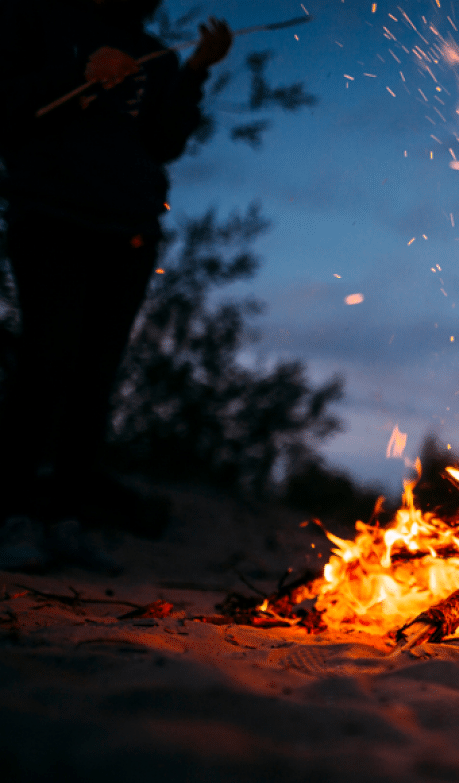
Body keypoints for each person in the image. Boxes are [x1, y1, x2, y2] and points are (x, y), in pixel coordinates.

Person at [0, 0, 231, 568]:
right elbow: (8, 107)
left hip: (127, 235)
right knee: (46, 363)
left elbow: (164, 141)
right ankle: (16, 515)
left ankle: (68, 519)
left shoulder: (153, 51)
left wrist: (197, 69)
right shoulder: (44, 22)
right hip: (52, 219)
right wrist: (77, 73)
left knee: (94, 377)